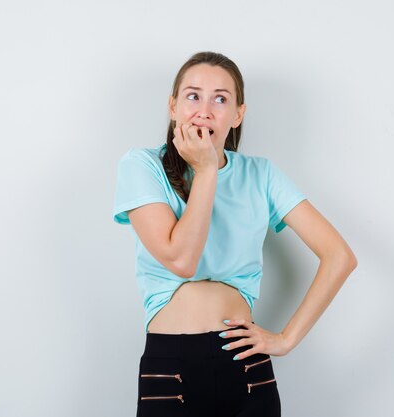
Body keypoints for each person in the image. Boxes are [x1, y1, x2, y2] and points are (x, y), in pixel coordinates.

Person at [112, 51, 358, 417]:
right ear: (173, 106)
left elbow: (339, 256)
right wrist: (207, 171)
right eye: (193, 95)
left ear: (238, 114)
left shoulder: (261, 174)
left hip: (245, 369)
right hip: (171, 367)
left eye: (221, 99)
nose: (205, 109)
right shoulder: (142, 166)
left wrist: (286, 339)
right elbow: (182, 260)